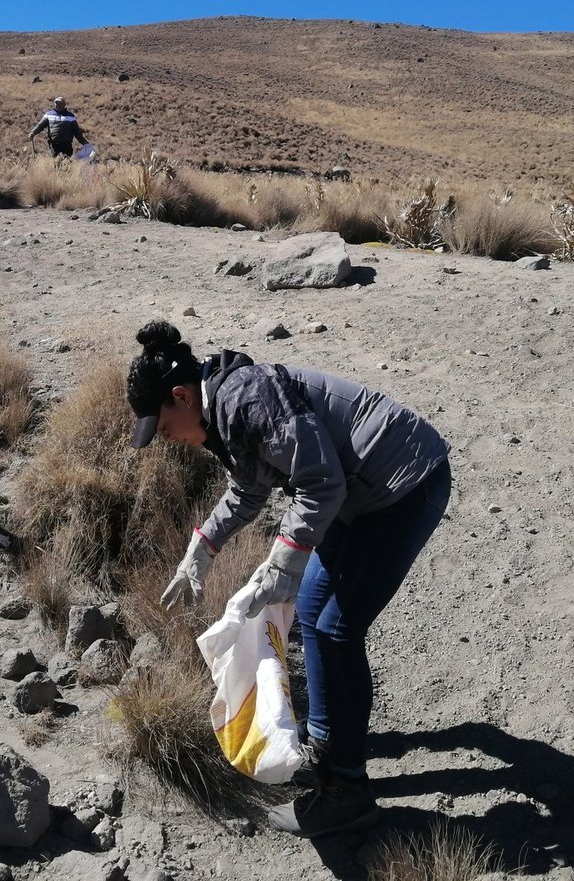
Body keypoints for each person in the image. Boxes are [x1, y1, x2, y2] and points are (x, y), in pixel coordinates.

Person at [128, 321, 452, 838]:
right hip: (359, 496)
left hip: (401, 484)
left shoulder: (245, 398)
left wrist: (283, 561)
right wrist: (202, 547)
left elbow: (321, 482)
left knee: (336, 630)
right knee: (313, 618)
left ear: (181, 396)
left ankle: (347, 791)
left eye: (165, 428)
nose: (172, 440)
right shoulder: (224, 406)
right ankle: (328, 745)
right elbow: (250, 488)